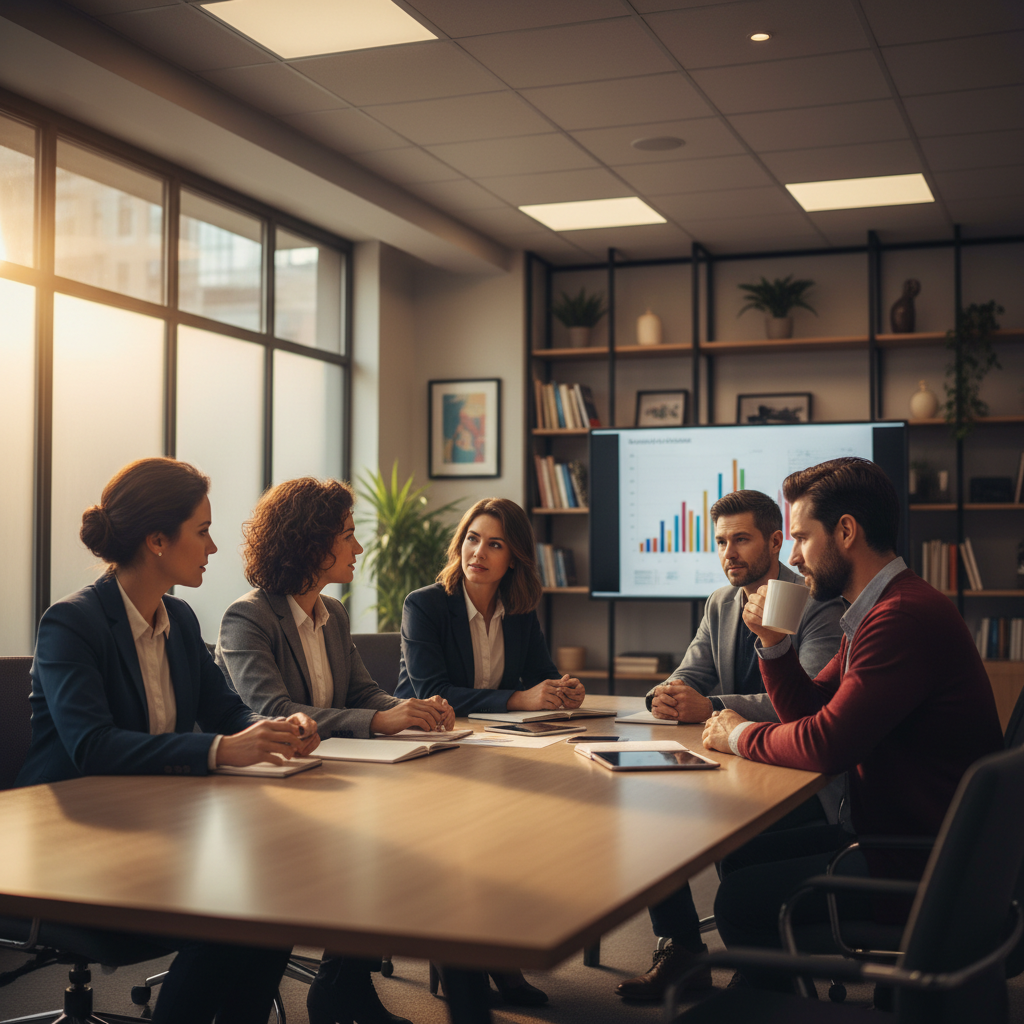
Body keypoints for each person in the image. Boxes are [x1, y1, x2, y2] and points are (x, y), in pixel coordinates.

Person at [17, 457, 319, 1024]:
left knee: (278, 891)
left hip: (157, 827)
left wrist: (276, 731)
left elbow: (225, 711)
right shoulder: (71, 623)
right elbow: (93, 747)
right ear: (157, 540)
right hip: (71, 841)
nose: (213, 548)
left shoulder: (179, 619)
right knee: (231, 907)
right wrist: (219, 750)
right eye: (202, 531)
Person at [702, 457, 1003, 990]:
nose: (792, 555)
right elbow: (814, 708)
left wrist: (738, 734)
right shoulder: (874, 609)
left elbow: (827, 744)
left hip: (920, 865)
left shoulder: (899, 618)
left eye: (799, 538)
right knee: (744, 853)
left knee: (742, 898)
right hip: (900, 837)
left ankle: (770, 1009)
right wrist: (773, 644)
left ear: (845, 531)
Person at [216, 476, 454, 1024]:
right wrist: (380, 718)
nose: (359, 547)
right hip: (264, 792)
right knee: (374, 844)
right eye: (347, 535)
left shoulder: (333, 612)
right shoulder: (247, 617)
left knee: (410, 835)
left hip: (328, 777)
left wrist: (412, 708)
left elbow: (359, 693)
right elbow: (273, 710)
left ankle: (342, 983)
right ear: (310, 543)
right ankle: (337, 987)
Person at [616, 489, 844, 1001]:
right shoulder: (721, 602)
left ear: (777, 541)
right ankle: (683, 950)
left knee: (730, 834)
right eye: (721, 541)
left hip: (797, 774)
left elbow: (807, 697)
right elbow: (691, 670)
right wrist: (667, 694)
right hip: (728, 758)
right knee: (649, 808)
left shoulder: (815, 602)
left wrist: (712, 704)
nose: (729, 553)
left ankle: (758, 966)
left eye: (741, 539)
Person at [396, 497, 583, 1005]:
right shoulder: (426, 604)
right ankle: (472, 970)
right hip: (428, 747)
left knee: (518, 839)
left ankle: (496, 955)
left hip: (490, 747)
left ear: (514, 558)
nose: (478, 552)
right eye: (473, 538)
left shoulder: (519, 611)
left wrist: (563, 689)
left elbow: (540, 671)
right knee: (471, 847)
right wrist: (520, 698)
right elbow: (431, 690)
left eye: (495, 544)